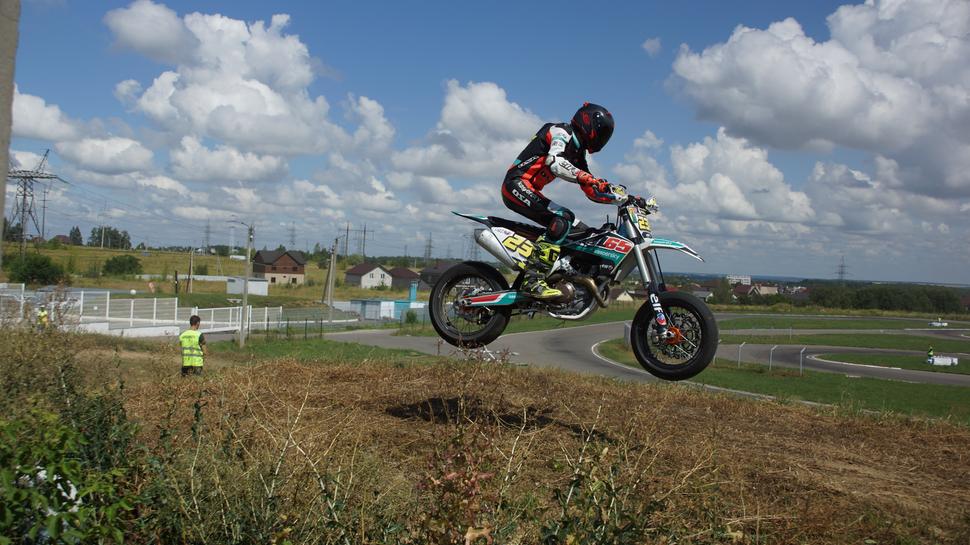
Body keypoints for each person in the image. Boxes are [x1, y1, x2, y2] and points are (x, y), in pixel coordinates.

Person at [502, 102, 631, 299]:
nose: (602, 137)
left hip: (530, 189)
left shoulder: (578, 153)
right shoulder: (561, 131)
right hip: (516, 184)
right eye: (602, 131)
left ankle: (563, 276)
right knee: (562, 218)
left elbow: (591, 190)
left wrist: (623, 198)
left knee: (583, 232)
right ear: (588, 121)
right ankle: (533, 280)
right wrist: (585, 177)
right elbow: (555, 162)